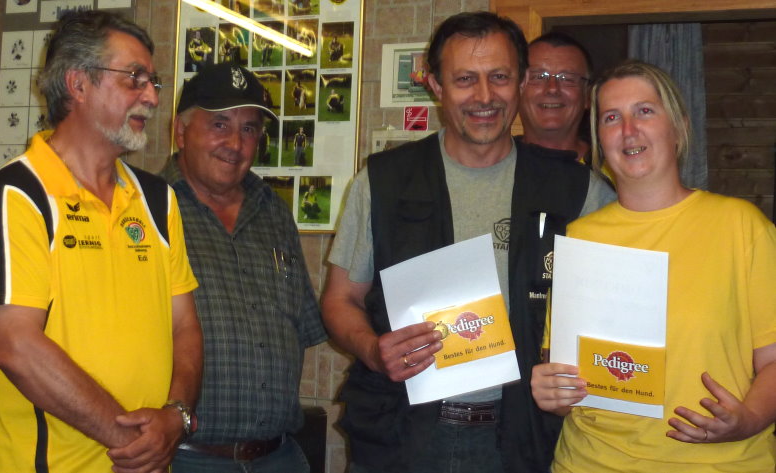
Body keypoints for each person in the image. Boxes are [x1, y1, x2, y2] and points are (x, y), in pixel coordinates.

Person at [321, 11, 616, 473]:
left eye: (499, 77)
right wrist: (374, 350)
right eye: (464, 79)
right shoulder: (383, 181)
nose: (484, 96)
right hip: (401, 435)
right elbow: (340, 300)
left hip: (525, 439)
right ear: (435, 85)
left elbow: (610, 317)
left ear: (521, 82)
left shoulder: (579, 191)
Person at [0, 10, 203, 472]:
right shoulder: (18, 193)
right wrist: (135, 443)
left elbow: (184, 325)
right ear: (78, 84)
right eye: (134, 78)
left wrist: (176, 416)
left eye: (152, 81)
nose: (152, 97)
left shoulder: (158, 199)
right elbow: (16, 346)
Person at [531, 60, 776, 473]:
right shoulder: (578, 238)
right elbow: (567, 378)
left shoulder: (741, 226)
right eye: (611, 118)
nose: (629, 130)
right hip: (590, 463)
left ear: (678, 127)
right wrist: (552, 392)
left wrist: (747, 419)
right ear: (599, 139)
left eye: (644, 111)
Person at [161, 63, 327, 472]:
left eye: (249, 129)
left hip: (279, 457)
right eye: (220, 124)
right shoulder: (146, 209)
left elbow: (301, 329)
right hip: (185, 460)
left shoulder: (274, 212)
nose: (235, 143)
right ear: (181, 131)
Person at [518, 32, 592, 162]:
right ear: (516, 91)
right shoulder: (491, 165)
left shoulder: (613, 170)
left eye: (567, 78)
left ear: (588, 95)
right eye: (539, 77)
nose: (552, 88)